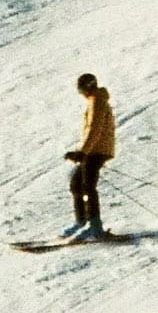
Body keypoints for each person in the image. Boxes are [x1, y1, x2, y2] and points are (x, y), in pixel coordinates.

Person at [66, 71, 116, 235]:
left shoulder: (97, 101)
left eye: (80, 90)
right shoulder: (96, 100)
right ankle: (82, 222)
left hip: (97, 150)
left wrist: (82, 152)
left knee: (87, 186)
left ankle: (94, 226)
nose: (81, 94)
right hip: (94, 149)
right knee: (76, 184)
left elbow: (94, 128)